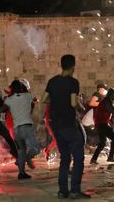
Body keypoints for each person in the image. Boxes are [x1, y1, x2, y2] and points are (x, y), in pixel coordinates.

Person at [41, 54, 90, 199]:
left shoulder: (52, 81)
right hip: (68, 123)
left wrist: (56, 100)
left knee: (65, 158)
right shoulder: (73, 82)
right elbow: (74, 102)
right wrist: (81, 108)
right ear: (73, 66)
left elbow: (44, 99)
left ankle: (63, 191)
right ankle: (75, 190)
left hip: (56, 124)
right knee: (79, 157)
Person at [0, 80, 40, 179]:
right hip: (26, 127)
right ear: (22, 87)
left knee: (22, 149)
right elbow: (35, 100)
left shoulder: (9, 100)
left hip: (16, 129)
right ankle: (25, 159)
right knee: (35, 149)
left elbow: (1, 109)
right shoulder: (28, 96)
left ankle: (21, 173)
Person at [90, 88, 114, 164]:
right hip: (101, 124)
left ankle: (93, 159)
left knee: (102, 143)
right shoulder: (106, 101)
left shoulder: (106, 101)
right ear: (111, 95)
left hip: (99, 123)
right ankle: (111, 157)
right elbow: (113, 111)